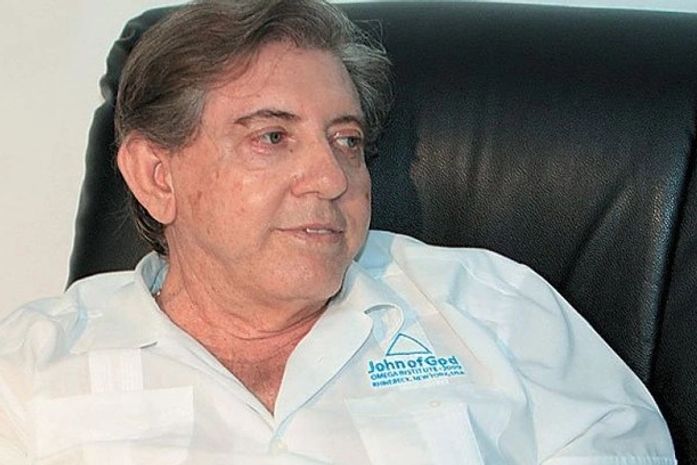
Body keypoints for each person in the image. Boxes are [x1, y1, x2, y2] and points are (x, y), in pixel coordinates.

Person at [0, 0, 677, 464]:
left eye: (346, 140)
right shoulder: (29, 370)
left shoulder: (491, 307)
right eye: (272, 137)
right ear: (157, 176)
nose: (331, 177)